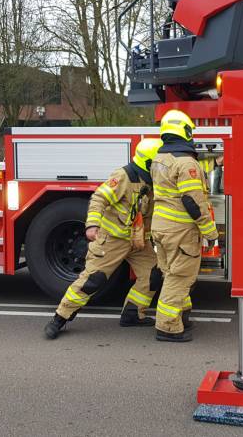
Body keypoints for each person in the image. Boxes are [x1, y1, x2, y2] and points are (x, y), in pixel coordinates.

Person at [43, 138, 164, 339]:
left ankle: (133, 314)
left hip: (137, 241)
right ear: (148, 163)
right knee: (92, 281)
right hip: (112, 240)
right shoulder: (123, 176)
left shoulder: (149, 181)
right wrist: (92, 224)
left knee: (153, 274)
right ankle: (59, 318)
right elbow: (99, 198)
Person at [151, 110, 219, 342]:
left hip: (161, 229)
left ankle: (182, 316)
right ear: (185, 131)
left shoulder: (160, 159)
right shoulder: (186, 162)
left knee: (172, 273)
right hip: (180, 231)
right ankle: (167, 327)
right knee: (179, 278)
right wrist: (210, 232)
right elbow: (192, 201)